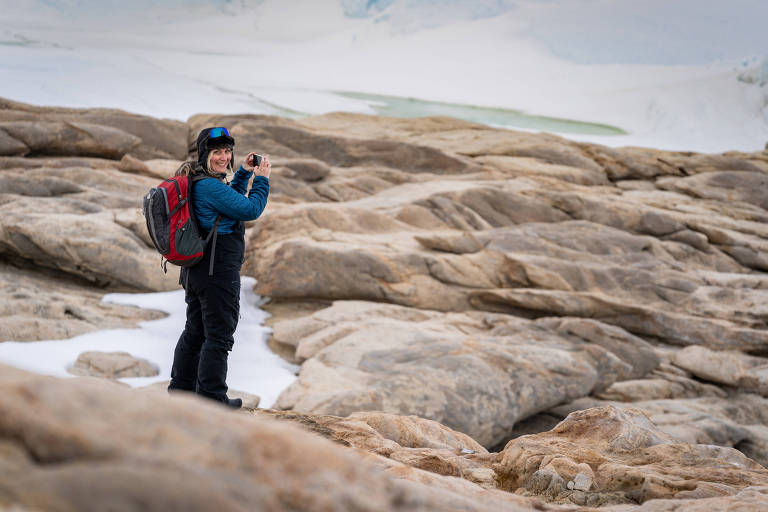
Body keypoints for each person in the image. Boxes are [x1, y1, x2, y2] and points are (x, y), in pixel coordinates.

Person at [167, 126, 271, 408]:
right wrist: (262, 180)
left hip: (198, 270)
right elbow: (249, 210)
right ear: (205, 154)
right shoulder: (209, 185)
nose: (224, 157)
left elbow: (230, 205)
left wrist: (244, 174)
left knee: (196, 331)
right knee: (219, 335)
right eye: (217, 152)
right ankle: (212, 398)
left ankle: (181, 391)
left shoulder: (203, 181)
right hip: (216, 270)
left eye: (227, 151)